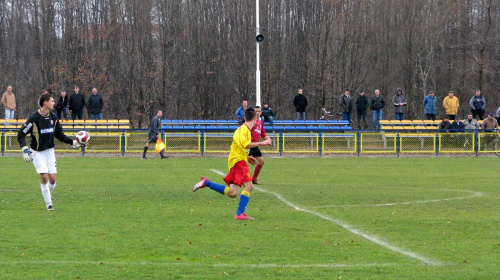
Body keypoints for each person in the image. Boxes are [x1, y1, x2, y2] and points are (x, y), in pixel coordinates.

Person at [192, 108, 272, 220]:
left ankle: (206, 182)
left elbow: (238, 146)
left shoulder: (243, 130)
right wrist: (263, 143)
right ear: (254, 118)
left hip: (237, 160)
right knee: (249, 186)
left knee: (232, 192)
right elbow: (244, 144)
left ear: (244, 118)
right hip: (238, 161)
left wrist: (247, 157)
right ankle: (239, 214)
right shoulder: (244, 130)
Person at [17, 93, 83, 210]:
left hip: (50, 151)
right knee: (44, 178)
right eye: (52, 101)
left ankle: (48, 195)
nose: (54, 103)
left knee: (52, 179)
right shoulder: (34, 118)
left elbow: (59, 135)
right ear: (45, 103)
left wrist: (72, 142)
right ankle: (49, 204)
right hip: (37, 152)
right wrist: (24, 149)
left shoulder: (53, 117)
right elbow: (21, 134)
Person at [249, 106, 271, 185]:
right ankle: (234, 178)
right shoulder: (250, 122)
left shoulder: (260, 122)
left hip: (255, 146)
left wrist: (268, 139)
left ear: (261, 112)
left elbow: (263, 134)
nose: (257, 113)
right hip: (248, 146)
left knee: (261, 161)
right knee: (240, 163)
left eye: (259, 111)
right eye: (256, 111)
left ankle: (254, 179)